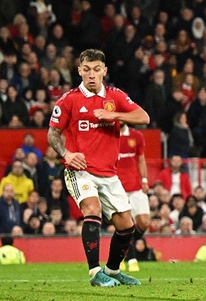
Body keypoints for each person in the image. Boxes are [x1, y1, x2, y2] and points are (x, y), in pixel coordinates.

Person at [48, 48, 150, 287]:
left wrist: (114, 116)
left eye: (96, 69)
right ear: (79, 71)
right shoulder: (69, 100)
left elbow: (143, 117)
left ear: (104, 71)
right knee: (92, 208)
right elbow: (53, 134)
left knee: (126, 225)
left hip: (109, 173)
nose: (91, 74)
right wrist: (66, 153)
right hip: (80, 170)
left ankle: (112, 271)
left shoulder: (115, 96)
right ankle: (95, 272)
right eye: (86, 70)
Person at [115, 125, 150, 272]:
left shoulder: (136, 136)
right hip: (117, 187)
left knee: (144, 222)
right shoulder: (109, 135)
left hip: (136, 186)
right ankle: (131, 258)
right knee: (125, 225)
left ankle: (122, 252)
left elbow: (141, 159)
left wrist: (144, 180)